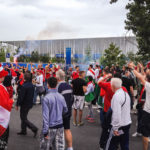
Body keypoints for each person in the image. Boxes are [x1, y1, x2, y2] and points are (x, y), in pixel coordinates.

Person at [41, 77, 68, 150]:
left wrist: (45, 131)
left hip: (50, 126)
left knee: (45, 147)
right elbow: (65, 110)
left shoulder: (46, 98)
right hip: (60, 126)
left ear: (48, 85)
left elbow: (45, 116)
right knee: (59, 147)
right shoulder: (61, 96)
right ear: (56, 85)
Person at [105, 78, 132, 150]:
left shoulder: (116, 96)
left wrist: (115, 128)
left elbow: (116, 114)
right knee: (125, 144)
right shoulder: (126, 93)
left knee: (111, 145)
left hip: (119, 126)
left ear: (113, 86)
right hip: (127, 123)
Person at [128, 62, 150, 150]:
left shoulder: (148, 85)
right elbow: (142, 76)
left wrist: (132, 68)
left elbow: (140, 77)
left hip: (148, 112)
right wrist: (140, 68)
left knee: (145, 133)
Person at [16, 72, 38, 137]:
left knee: (23, 118)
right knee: (24, 117)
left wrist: (17, 104)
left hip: (24, 104)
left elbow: (21, 97)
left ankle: (34, 128)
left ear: (24, 77)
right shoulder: (31, 85)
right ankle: (23, 130)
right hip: (29, 103)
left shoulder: (24, 86)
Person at [56, 69, 74, 150]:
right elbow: (72, 99)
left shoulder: (58, 87)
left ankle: (59, 147)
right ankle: (70, 147)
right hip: (68, 111)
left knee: (57, 131)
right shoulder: (69, 86)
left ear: (58, 78)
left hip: (59, 113)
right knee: (67, 129)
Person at [0, 64, 13, 150]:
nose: (4, 77)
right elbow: (6, 105)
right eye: (3, 75)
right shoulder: (1, 88)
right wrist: (12, 101)